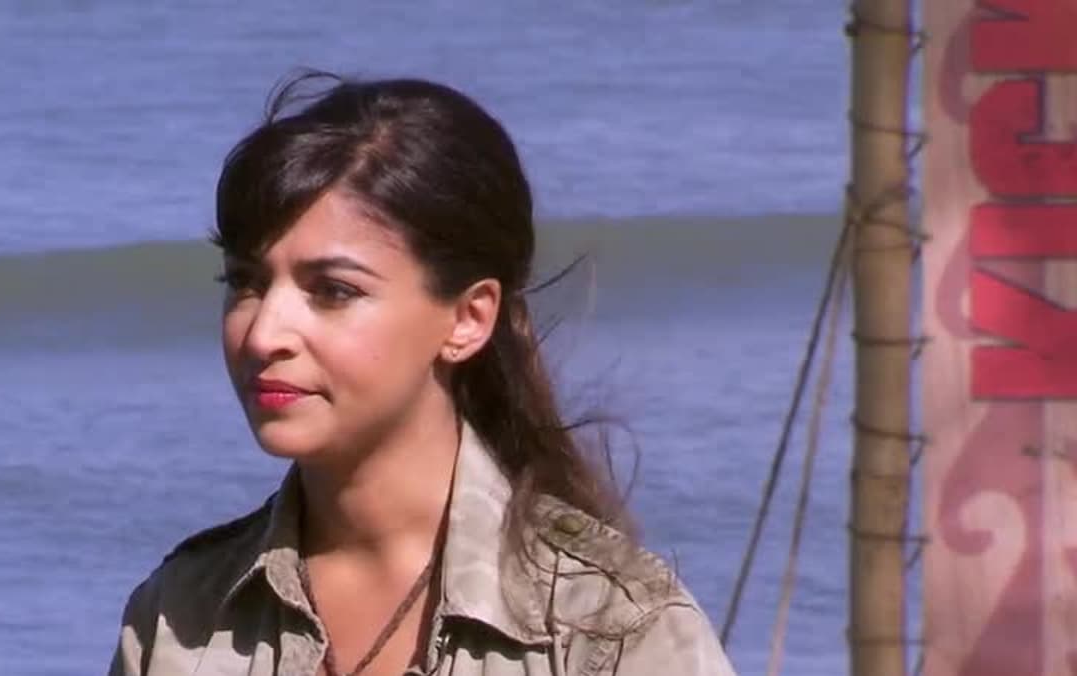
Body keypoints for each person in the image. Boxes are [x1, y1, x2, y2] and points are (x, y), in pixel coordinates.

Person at [107, 72, 737, 676]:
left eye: (333, 291)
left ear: (467, 319)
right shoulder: (180, 618)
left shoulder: (611, 630)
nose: (264, 334)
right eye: (246, 282)